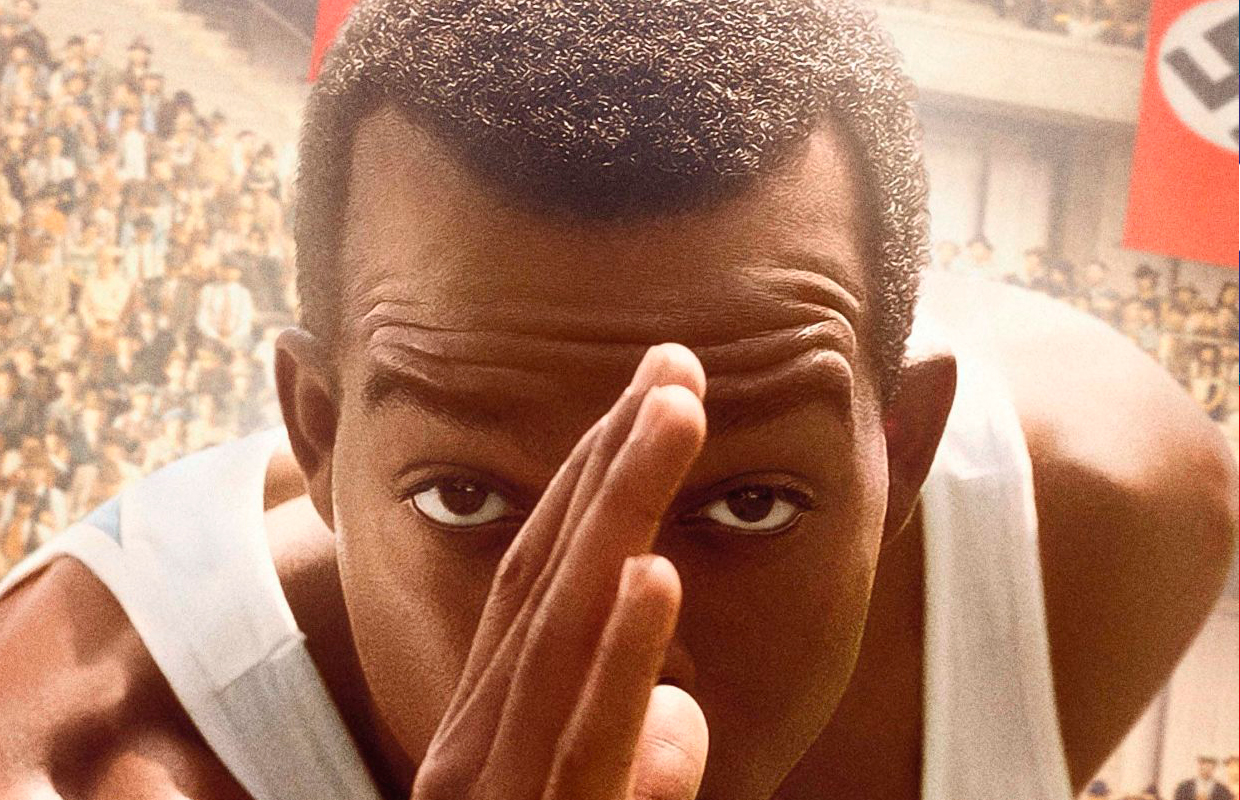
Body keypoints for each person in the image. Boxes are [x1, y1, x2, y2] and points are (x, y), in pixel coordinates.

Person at [0, 2, 1236, 800]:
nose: (618, 653)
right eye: (466, 497)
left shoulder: (1094, 524)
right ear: (315, 438)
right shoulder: (81, 757)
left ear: (901, 448)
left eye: (749, 503)